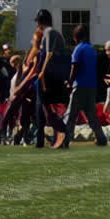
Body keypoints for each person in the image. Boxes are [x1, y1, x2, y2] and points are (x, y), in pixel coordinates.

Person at [61, 24, 107, 148]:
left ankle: (64, 139)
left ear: (76, 36)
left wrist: (69, 82)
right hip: (91, 86)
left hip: (79, 85)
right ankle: (101, 138)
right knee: (91, 115)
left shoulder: (78, 49)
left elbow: (74, 66)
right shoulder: (91, 49)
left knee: (71, 114)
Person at [31, 10, 70, 149]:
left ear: (41, 22)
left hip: (48, 77)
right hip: (50, 76)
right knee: (41, 109)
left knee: (45, 107)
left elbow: (49, 54)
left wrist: (42, 72)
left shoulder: (49, 33)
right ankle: (44, 140)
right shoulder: (52, 33)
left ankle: (63, 131)